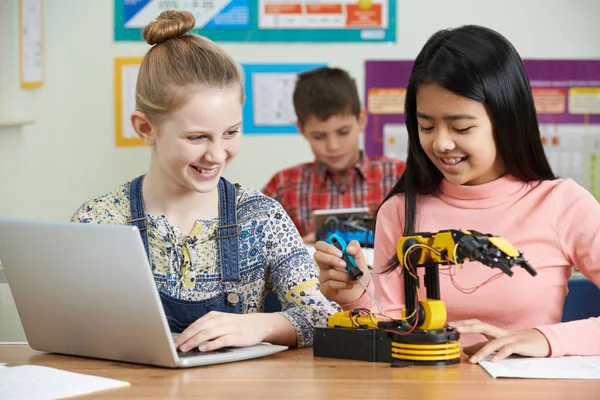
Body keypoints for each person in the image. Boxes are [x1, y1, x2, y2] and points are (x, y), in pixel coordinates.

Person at [313, 25, 600, 363]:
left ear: (507, 119)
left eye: (461, 127)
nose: (441, 144)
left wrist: (545, 338)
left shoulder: (562, 203)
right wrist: (355, 297)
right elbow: (393, 327)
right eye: (426, 127)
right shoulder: (402, 210)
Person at [72, 10, 338, 353]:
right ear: (145, 129)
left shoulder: (261, 217)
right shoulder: (98, 221)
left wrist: (260, 325)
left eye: (231, 132)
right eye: (197, 137)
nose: (217, 155)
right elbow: (69, 329)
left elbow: (325, 316)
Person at [262, 67, 405, 243]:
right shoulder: (284, 185)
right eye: (319, 136)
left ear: (361, 120)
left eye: (343, 132)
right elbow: (256, 255)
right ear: (302, 129)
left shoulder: (398, 176)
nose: (333, 146)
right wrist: (298, 250)